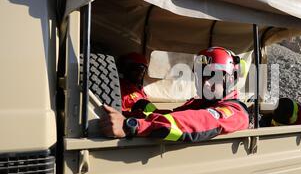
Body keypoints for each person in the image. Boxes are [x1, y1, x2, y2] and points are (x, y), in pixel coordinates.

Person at [100, 47, 249, 142]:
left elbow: (198, 121)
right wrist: (128, 115)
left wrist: (132, 125)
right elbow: (172, 115)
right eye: (201, 77)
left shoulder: (235, 112)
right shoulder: (198, 103)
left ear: (230, 79)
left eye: (213, 76)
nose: (206, 83)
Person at [118, 52, 157, 118]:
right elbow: (117, 113)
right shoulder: (119, 88)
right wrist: (135, 114)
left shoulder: (140, 89)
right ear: (126, 69)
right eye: (136, 68)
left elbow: (151, 110)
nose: (140, 72)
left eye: (143, 69)